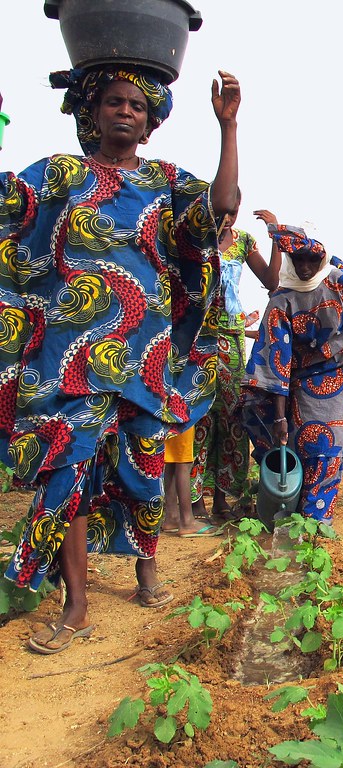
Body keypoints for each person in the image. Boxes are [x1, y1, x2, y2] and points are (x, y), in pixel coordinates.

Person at [0, 67, 240, 653]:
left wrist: (228, 127)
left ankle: (145, 570)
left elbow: (220, 208)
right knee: (69, 470)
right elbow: (10, 204)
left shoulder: (165, 183)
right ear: (95, 112)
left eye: (137, 105)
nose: (126, 112)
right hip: (72, 354)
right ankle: (76, 605)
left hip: (145, 353)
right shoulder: (63, 173)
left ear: (151, 121)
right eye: (114, 102)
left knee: (141, 471)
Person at [243, 225, 343, 522]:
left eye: (311, 260)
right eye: (297, 259)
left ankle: (315, 520)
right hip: (297, 376)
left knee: (325, 442)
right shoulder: (281, 300)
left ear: (323, 258)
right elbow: (277, 361)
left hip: (340, 367)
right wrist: (279, 418)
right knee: (282, 436)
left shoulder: (342, 283)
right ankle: (288, 507)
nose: (304, 267)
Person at [191, 204, 281, 522]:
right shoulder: (195, 237)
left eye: (233, 210)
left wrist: (275, 235)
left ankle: (222, 499)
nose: (227, 216)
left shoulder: (243, 241)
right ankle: (193, 502)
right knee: (198, 420)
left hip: (230, 337)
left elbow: (272, 280)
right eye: (221, 209)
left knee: (232, 420)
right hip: (196, 338)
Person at [163, 427, 216, 536]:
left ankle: (172, 517)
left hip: (168, 413)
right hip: (181, 413)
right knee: (184, 460)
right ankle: (187, 522)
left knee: (172, 457)